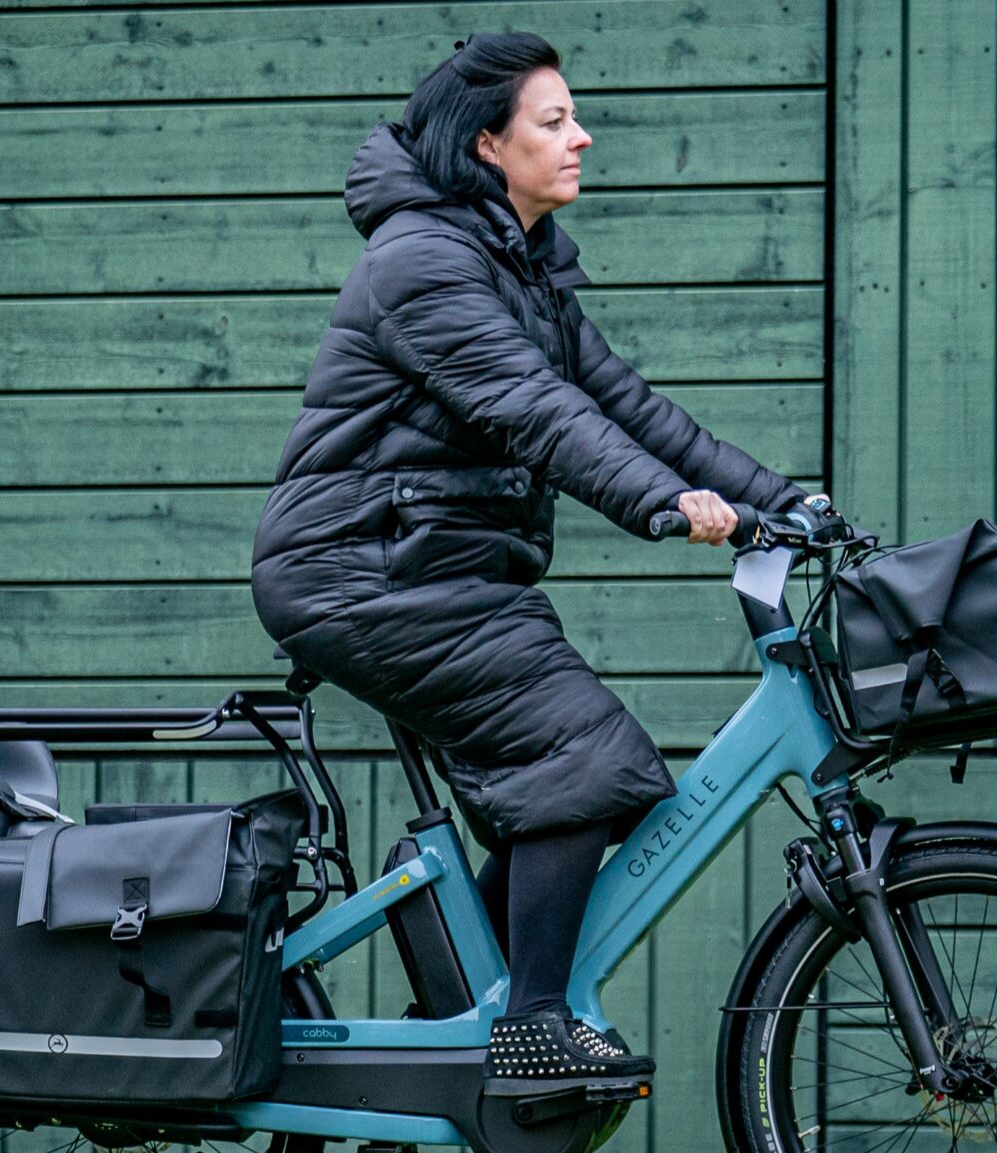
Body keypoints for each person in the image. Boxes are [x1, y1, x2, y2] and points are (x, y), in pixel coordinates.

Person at [251, 33, 804, 1087]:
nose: (581, 136)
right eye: (553, 121)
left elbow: (626, 406)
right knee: (583, 757)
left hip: (436, 572)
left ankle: (463, 1011)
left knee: (619, 785)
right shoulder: (423, 259)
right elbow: (529, 406)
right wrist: (658, 504)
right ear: (487, 145)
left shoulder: (522, 265)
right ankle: (528, 1027)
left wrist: (783, 503)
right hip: (362, 572)